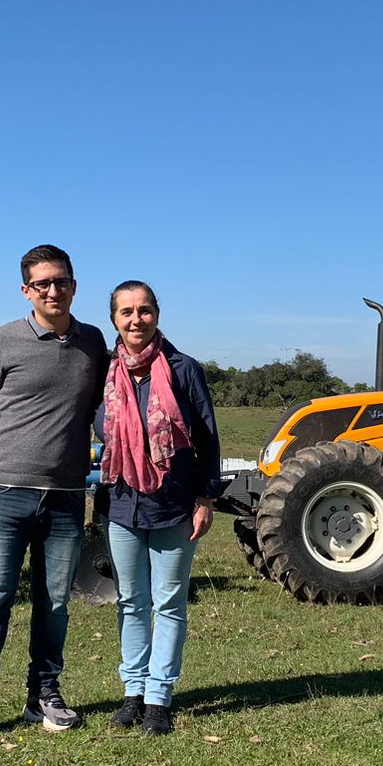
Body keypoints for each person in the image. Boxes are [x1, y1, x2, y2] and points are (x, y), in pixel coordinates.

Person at [0, 245, 109, 743]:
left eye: (62, 281)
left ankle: (43, 696)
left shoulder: (94, 342)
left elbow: (108, 403)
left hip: (66, 496)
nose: (53, 291)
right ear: (26, 290)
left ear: (75, 285)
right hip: (5, 494)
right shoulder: (3, 340)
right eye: (43, 283)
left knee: (55, 601)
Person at [94, 280, 222, 736]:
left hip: (174, 503)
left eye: (144, 310)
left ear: (157, 314)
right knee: (131, 601)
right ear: (114, 319)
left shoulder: (183, 369)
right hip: (122, 503)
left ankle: (158, 698)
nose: (136, 320)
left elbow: (207, 436)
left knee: (168, 603)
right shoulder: (105, 373)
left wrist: (205, 498)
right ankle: (133, 692)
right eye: (126, 312)